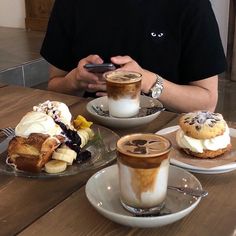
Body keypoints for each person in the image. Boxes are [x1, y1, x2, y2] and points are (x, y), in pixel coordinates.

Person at [40, 0, 227, 113]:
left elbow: (207, 102)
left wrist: (148, 82)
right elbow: (53, 86)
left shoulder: (191, 5)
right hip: (88, 133)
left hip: (165, 138)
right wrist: (74, 82)